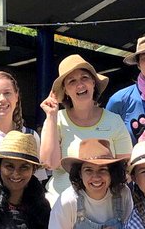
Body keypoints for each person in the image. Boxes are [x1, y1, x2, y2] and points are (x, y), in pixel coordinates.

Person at [40, 54, 131, 198]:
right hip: (61, 202)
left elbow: (125, 169)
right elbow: (49, 163)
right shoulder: (56, 120)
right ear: (65, 90)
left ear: (93, 83)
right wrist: (51, 116)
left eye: (85, 78)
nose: (80, 85)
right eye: (72, 81)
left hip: (105, 202)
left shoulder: (114, 121)